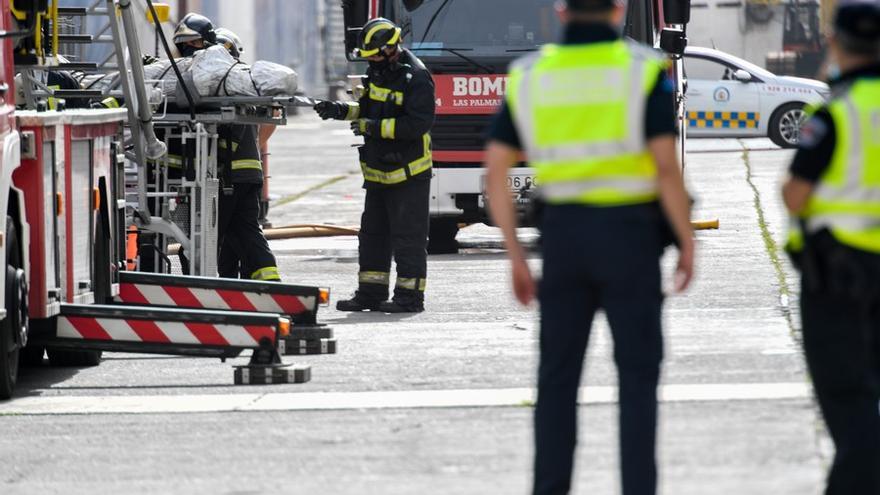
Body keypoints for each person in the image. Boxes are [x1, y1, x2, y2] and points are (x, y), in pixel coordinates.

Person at [483, 0, 695, 493]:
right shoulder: (643, 71)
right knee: (638, 380)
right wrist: (687, 241)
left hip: (564, 241)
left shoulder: (531, 74)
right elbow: (666, 168)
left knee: (557, 379)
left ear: (560, 11)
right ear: (619, 9)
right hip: (632, 240)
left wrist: (515, 256)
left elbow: (495, 171)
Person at [782, 0, 880, 492]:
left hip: (841, 274)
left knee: (848, 396)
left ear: (836, 43)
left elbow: (795, 192)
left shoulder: (836, 111)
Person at [314, 18, 435, 313]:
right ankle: (370, 294)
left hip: (408, 175)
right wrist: (339, 110)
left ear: (392, 48)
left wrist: (371, 127)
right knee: (372, 237)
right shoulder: (379, 71)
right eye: (368, 58)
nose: (372, 62)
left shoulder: (416, 78)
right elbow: (365, 109)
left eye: (376, 55)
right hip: (379, 174)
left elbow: (417, 124)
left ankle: (409, 298)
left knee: (408, 239)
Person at [211, 27, 281, 282]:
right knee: (241, 230)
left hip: (228, 175)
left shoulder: (217, 82)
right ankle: (263, 281)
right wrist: (255, 143)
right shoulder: (246, 80)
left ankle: (212, 283)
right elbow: (274, 114)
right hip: (250, 173)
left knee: (214, 235)